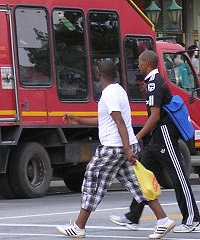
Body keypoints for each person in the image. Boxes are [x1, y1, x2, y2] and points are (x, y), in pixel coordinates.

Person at [56, 60, 175, 239]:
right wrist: (78, 120)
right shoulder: (119, 90)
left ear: (97, 74)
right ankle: (163, 220)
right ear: (116, 74)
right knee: (137, 184)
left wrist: (127, 150)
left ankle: (79, 227)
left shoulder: (109, 93)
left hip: (115, 147)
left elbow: (119, 121)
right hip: (123, 146)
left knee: (92, 179)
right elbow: (108, 120)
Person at [109, 50, 200, 233]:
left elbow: (155, 117)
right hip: (157, 138)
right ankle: (133, 217)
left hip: (165, 134)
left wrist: (135, 138)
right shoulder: (152, 82)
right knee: (143, 175)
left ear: (146, 64)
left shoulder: (154, 83)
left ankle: (194, 220)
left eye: (139, 63)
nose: (138, 66)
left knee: (179, 178)